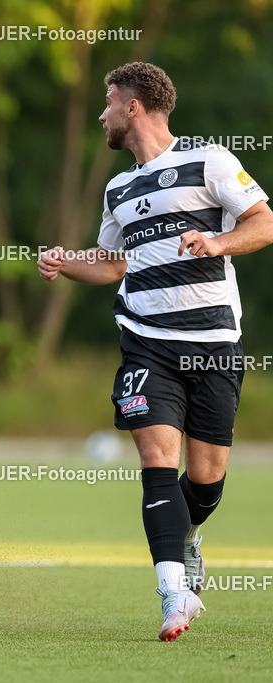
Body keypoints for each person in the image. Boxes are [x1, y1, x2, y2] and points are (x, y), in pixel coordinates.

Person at [37, 61, 273, 641]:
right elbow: (112, 262)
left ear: (133, 106)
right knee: (155, 462)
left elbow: (264, 223)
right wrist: (68, 263)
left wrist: (216, 240)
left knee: (207, 481)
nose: (102, 115)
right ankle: (174, 595)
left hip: (214, 344)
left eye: (108, 103)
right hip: (147, 344)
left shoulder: (210, 161)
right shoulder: (119, 188)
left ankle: (188, 537)